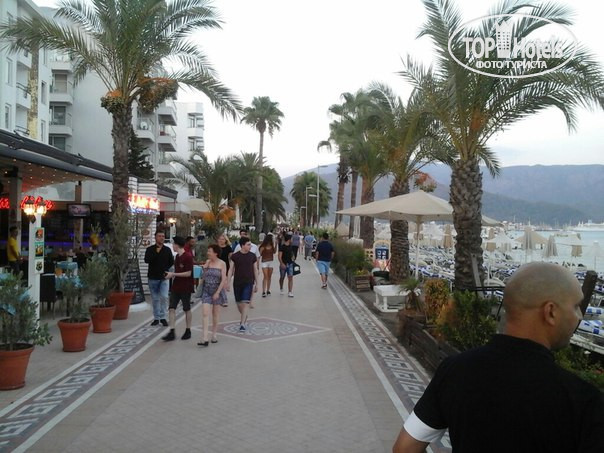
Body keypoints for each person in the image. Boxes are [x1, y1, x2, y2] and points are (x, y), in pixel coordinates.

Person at [392, 262, 604, 453]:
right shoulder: (582, 400)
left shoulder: (455, 370)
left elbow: (404, 448)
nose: (579, 316)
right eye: (576, 306)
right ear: (550, 312)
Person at [162, 236, 194, 341]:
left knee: (186, 308)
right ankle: (172, 331)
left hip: (186, 286)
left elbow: (188, 273)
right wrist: (170, 274)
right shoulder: (177, 257)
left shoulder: (188, 257)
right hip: (176, 286)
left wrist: (173, 274)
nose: (172, 246)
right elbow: (176, 271)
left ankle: (188, 330)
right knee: (171, 308)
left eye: (173, 244)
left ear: (177, 245)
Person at [197, 244, 227, 347]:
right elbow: (202, 277)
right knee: (205, 313)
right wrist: (204, 268)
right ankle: (205, 337)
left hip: (217, 290)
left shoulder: (222, 263)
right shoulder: (208, 262)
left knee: (215, 314)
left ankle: (214, 334)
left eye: (209, 251)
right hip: (206, 290)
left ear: (215, 253)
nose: (208, 253)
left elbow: (223, 279)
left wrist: (218, 292)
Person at [227, 237, 258, 332]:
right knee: (239, 303)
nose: (250, 246)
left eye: (250, 245)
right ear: (242, 245)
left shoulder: (252, 256)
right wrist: (228, 282)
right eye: (248, 245)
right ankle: (244, 316)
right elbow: (231, 269)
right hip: (237, 282)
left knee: (245, 303)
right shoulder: (235, 256)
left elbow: (255, 269)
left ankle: (242, 324)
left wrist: (257, 283)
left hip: (248, 282)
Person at [144, 231, 175, 326]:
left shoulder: (167, 250)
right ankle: (156, 318)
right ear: (155, 237)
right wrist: (156, 252)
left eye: (163, 236)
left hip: (164, 277)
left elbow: (171, 262)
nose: (161, 238)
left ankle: (163, 317)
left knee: (164, 297)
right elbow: (147, 260)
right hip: (153, 277)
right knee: (155, 298)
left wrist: (166, 269)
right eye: (159, 236)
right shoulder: (150, 249)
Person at [217, 234, 233, 307]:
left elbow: (231, 258)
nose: (221, 240)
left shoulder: (228, 248)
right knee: (217, 283)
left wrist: (232, 267)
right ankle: (219, 298)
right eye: (220, 239)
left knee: (223, 283)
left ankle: (224, 300)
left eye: (222, 239)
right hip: (216, 266)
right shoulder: (216, 247)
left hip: (225, 266)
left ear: (225, 240)